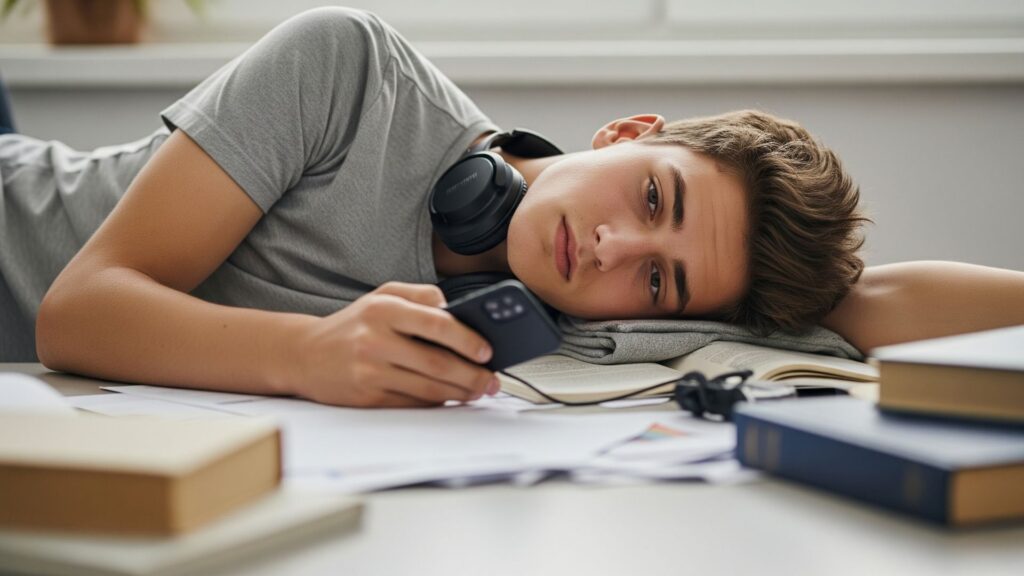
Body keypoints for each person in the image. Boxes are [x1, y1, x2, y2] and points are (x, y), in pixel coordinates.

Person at [2, 8, 1022, 407]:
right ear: (625, 132)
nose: (614, 249)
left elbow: (862, 299)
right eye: (650, 195)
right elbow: (77, 312)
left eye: (659, 278)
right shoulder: (350, 69)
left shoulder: (614, 317)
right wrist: (305, 356)